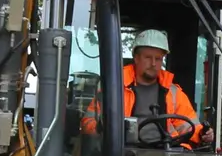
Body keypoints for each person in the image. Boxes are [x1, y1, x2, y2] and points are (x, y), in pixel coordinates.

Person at [80, 29, 213, 149]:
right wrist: (102, 127)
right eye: (148, 58)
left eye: (158, 59)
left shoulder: (173, 93)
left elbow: (188, 126)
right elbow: (87, 123)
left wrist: (202, 134)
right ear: (136, 58)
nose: (154, 64)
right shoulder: (114, 89)